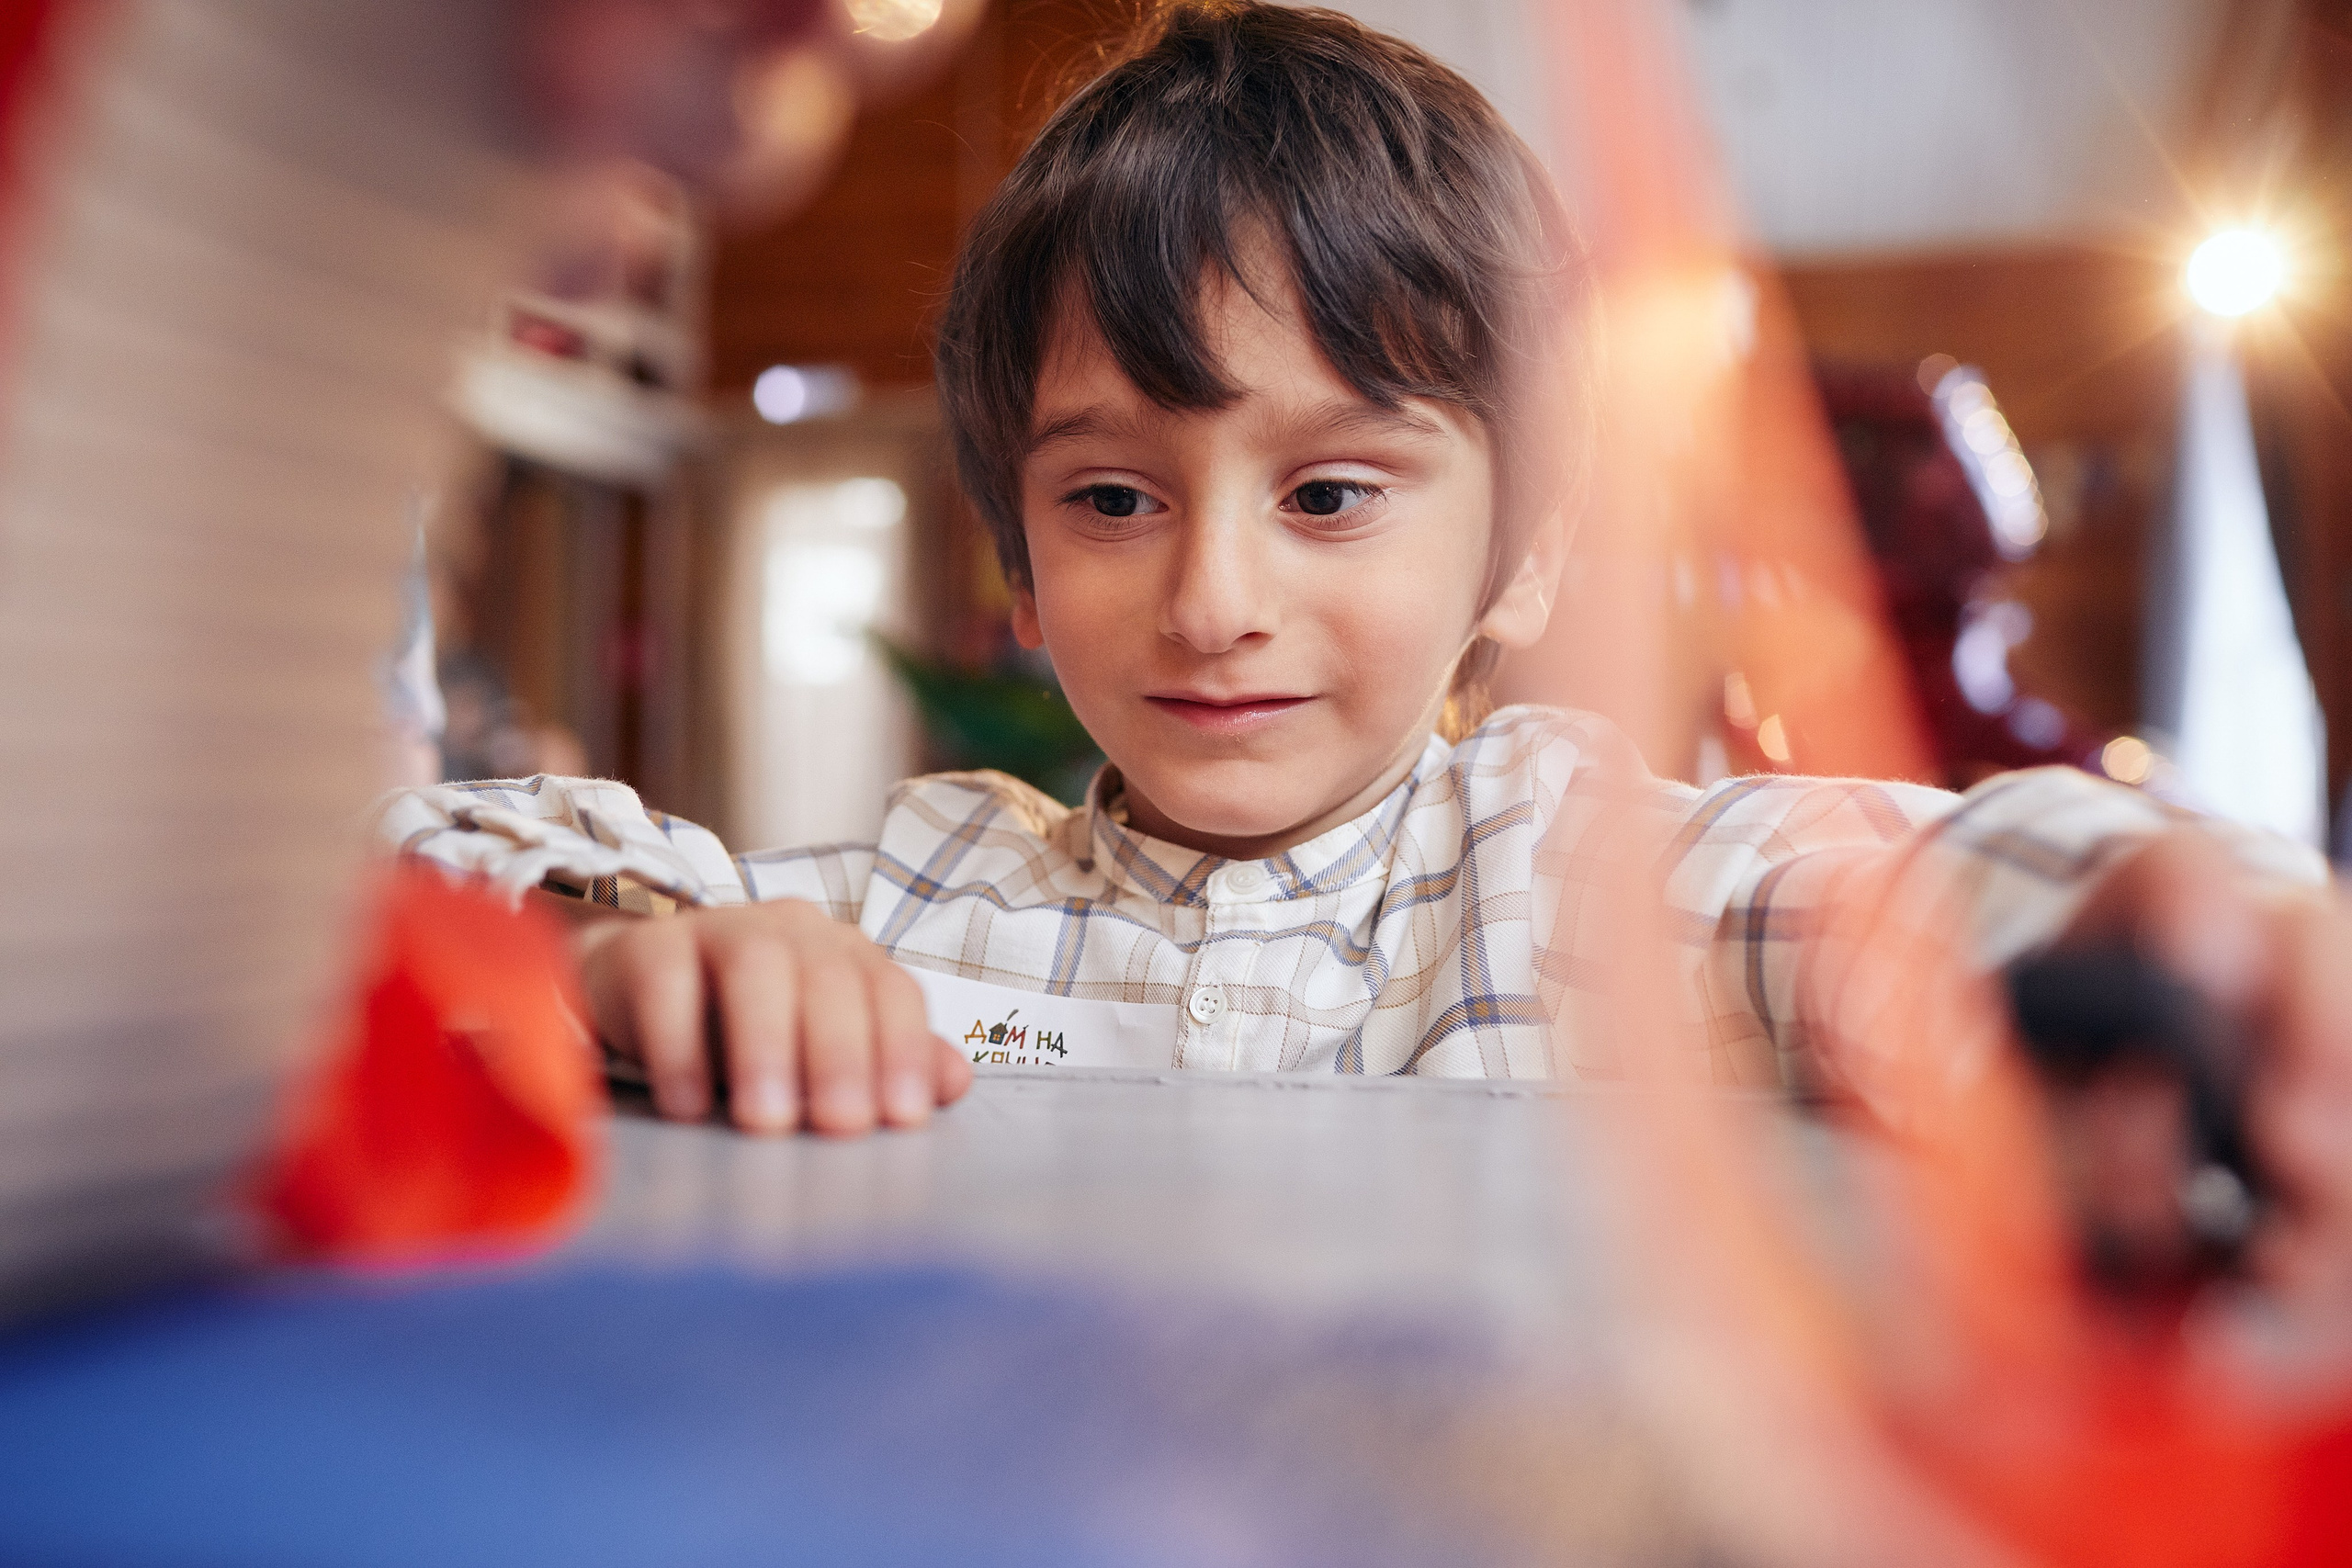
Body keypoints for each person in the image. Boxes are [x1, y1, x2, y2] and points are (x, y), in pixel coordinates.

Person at [382, 0, 2346, 1256]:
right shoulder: (929, 878)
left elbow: (1882, 888)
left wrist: (2157, 910)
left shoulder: (1580, 877)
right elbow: (435, 860)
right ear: (1015, 554)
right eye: (1109, 498)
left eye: (1327, 493)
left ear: (1522, 554)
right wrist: (643, 949)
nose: (1213, 597)